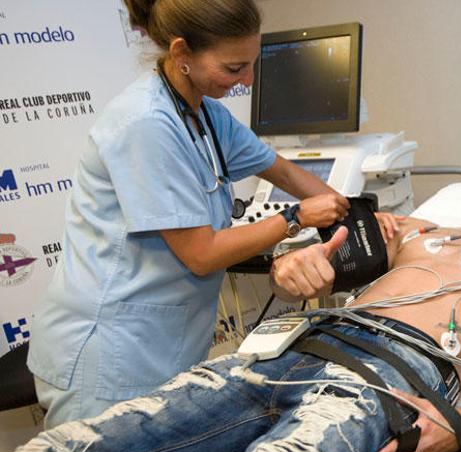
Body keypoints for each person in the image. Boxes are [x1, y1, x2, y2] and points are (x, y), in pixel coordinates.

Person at [2, 120, 461, 452]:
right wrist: (292, 270)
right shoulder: (411, 230)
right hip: (284, 348)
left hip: (384, 385)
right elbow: (309, 268)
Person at [25, 0, 403, 428]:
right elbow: (201, 253)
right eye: (234, 68)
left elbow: (283, 171)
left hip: (160, 345)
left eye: (252, 65)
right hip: (108, 353)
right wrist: (295, 218)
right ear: (183, 53)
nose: (247, 81)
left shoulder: (205, 115)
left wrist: (360, 219)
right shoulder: (146, 124)